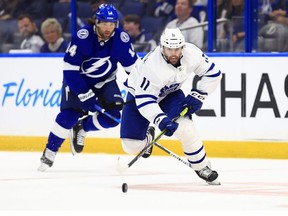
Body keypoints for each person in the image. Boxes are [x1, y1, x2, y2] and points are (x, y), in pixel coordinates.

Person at [38, 3, 140, 171]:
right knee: (69, 116)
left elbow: (135, 70)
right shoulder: (83, 36)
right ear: (96, 22)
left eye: (112, 24)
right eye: (104, 23)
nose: (108, 28)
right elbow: (69, 69)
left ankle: (82, 127)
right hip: (79, 80)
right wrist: (84, 93)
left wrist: (143, 90)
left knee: (113, 116)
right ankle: (50, 150)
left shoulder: (121, 39)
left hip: (105, 81)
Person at [120, 28, 222, 184]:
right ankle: (148, 138)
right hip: (138, 97)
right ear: (162, 47)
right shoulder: (152, 66)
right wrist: (160, 119)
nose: (174, 53)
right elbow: (145, 99)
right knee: (130, 146)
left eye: (177, 49)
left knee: (186, 128)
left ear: (183, 47)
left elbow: (213, 73)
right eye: (169, 49)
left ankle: (202, 166)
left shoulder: (191, 53)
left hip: (170, 94)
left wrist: (198, 95)